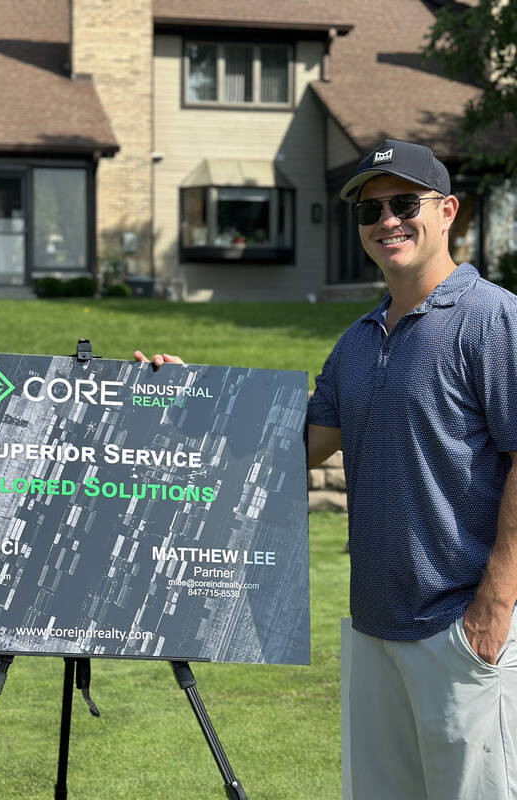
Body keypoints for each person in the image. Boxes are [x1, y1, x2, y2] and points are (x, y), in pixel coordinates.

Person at [308, 139, 517, 799]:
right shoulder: (358, 340)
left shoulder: (492, 319)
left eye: (405, 203)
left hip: (460, 628)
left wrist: (494, 607)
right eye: (370, 211)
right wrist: (181, 401)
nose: (387, 221)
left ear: (448, 210)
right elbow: (295, 449)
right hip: (373, 631)